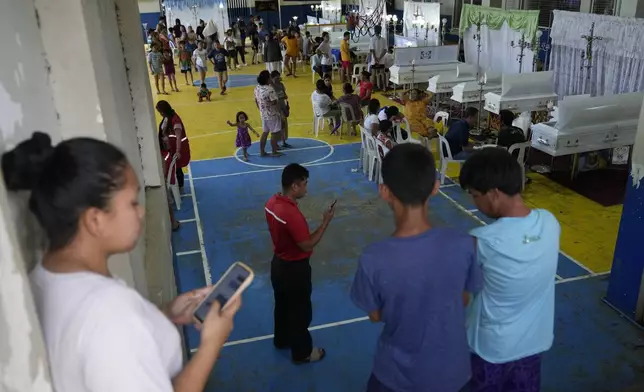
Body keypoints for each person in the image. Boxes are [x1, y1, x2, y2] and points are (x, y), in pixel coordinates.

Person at [2, 132, 242, 391]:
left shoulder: (44, 279)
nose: (141, 211)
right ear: (95, 220)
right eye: (132, 202)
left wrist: (163, 314)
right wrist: (211, 344)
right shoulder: (111, 314)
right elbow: (112, 332)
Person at [351, 143, 482, 392]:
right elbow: (464, 298)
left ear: (385, 192)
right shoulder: (465, 245)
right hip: (453, 374)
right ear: (435, 187)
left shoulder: (373, 258)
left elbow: (375, 315)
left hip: (394, 378)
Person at [460, 148, 559, 392]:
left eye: (474, 195)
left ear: (494, 194)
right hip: (533, 345)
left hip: (492, 350)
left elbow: (459, 295)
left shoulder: (481, 241)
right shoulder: (549, 222)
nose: (475, 202)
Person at [265, 163, 335, 364]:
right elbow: (307, 244)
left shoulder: (271, 203)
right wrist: (325, 222)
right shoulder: (292, 215)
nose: (306, 188)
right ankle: (303, 353)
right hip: (295, 270)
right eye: (304, 184)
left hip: (278, 265)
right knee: (300, 312)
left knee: (282, 306)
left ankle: (281, 339)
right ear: (294, 186)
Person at [156, 100, 191, 197]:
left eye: (161, 111)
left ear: (164, 110)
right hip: (169, 148)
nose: (160, 114)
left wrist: (178, 151)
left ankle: (181, 188)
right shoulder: (167, 118)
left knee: (177, 168)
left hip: (177, 148)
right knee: (174, 168)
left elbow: (178, 137)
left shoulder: (176, 120)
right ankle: (176, 186)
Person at [254, 70, 283, 156]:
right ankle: (274, 151)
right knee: (274, 132)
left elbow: (256, 100)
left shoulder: (257, 88)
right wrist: (280, 113)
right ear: (267, 79)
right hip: (272, 114)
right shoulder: (270, 89)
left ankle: (262, 151)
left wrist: (260, 109)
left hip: (263, 114)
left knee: (265, 132)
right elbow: (275, 103)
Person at [271, 70, 292, 148]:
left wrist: (286, 103)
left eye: (278, 77)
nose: (278, 79)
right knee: (276, 126)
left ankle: (283, 142)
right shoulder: (271, 87)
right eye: (276, 78)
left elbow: (285, 95)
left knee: (283, 125)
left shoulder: (281, 85)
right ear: (272, 79)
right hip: (276, 109)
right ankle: (275, 143)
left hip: (282, 107)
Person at [369, 25, 388, 90]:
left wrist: (376, 58)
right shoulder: (383, 39)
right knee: (382, 73)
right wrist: (380, 58)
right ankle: (384, 87)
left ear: (374, 30)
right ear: (380, 30)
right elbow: (385, 50)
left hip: (374, 60)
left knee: (373, 74)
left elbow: (372, 50)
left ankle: (371, 89)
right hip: (381, 59)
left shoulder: (372, 39)